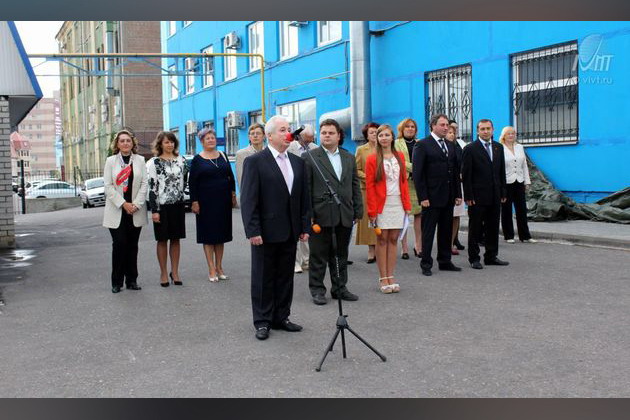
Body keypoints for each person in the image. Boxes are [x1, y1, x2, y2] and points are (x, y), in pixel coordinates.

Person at [240, 115, 311, 341]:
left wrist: (304, 225)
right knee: (263, 277)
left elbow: (303, 197)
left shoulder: (298, 162)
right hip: (265, 231)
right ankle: (262, 321)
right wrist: (253, 230)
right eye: (282, 129)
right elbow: (249, 199)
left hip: (290, 230)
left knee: (285, 277)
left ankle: (282, 316)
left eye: (288, 128)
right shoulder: (255, 162)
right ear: (269, 136)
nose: (287, 132)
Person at [304, 119, 363, 306]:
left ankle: (339, 288)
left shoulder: (348, 157)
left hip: (344, 212)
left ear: (339, 136)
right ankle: (317, 289)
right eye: (323, 133)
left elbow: (354, 184)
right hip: (320, 214)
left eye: (331, 133)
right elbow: (306, 188)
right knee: (318, 256)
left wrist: (358, 210)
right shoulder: (310, 157)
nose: (327, 136)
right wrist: (308, 214)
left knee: (341, 255)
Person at [413, 114, 462, 277]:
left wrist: (457, 193)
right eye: (442, 125)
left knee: (446, 230)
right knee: (428, 231)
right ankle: (426, 263)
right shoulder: (423, 145)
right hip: (431, 197)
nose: (446, 127)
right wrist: (423, 197)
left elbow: (454, 172)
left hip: (448, 196)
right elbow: (418, 173)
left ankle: (445, 261)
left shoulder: (450, 145)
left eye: (447, 125)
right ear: (433, 126)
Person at [366, 124, 411, 294]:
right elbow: (370, 186)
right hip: (381, 205)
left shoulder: (399, 156)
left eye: (387, 135)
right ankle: (383, 278)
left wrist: (407, 205)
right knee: (382, 239)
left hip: (398, 202)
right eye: (381, 135)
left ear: (392, 137)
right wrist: (372, 211)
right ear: (377, 139)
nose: (384, 138)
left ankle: (391, 276)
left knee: (393, 239)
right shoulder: (372, 159)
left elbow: (403, 182)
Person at [102, 129, 148, 293]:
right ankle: (117, 282)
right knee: (119, 244)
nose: (125, 143)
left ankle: (132, 280)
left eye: (128, 140)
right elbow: (108, 186)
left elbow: (144, 184)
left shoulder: (140, 160)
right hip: (117, 210)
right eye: (122, 141)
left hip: (135, 210)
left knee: (132, 246)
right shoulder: (111, 161)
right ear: (117, 144)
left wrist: (136, 204)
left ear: (132, 143)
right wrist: (123, 204)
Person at [189, 127, 237, 282]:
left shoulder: (222, 155)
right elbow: (192, 182)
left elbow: (230, 176)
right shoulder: (197, 159)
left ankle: (219, 267)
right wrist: (194, 201)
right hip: (205, 203)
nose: (211, 140)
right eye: (207, 138)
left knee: (220, 236)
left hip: (222, 201)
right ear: (202, 141)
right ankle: (211, 268)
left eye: (212, 138)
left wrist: (233, 194)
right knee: (209, 236)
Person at [461, 119, 509, 269]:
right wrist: (468, 196)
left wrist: (503, 191)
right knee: (475, 228)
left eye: (488, 128)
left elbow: (501, 171)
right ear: (477, 131)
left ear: (493, 130)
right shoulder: (470, 148)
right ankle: (474, 258)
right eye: (482, 129)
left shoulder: (498, 147)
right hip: (477, 196)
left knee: (493, 227)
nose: (486, 131)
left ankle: (491, 256)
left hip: (495, 194)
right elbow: (466, 174)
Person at [146, 131, 188, 287]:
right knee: (162, 240)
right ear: (160, 144)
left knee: (176, 240)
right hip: (161, 207)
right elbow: (152, 187)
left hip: (177, 205)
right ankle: (163, 273)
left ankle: (175, 272)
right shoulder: (153, 163)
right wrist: (154, 210)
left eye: (172, 142)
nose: (170, 145)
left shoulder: (181, 160)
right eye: (166, 142)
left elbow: (185, 181)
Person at [287, 124, 318, 274]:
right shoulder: (289, 147)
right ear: (300, 137)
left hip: (308, 190)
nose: (309, 142)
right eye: (306, 139)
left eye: (311, 139)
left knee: (306, 228)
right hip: (292, 189)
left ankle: (307, 260)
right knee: (294, 228)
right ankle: (295, 262)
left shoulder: (314, 148)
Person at [499, 126, 537, 244]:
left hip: (519, 181)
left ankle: (525, 235)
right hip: (506, 182)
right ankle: (508, 235)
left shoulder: (520, 147)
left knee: (521, 210)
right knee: (506, 210)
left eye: (513, 133)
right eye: (508, 133)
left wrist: (526, 181)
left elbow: (524, 165)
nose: (511, 135)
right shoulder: (500, 148)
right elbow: (499, 168)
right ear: (504, 136)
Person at [394, 118, 422, 259]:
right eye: (407, 126)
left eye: (412, 127)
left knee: (419, 215)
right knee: (403, 216)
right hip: (403, 183)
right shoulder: (396, 143)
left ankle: (418, 245)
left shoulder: (420, 143)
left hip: (418, 184)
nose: (410, 129)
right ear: (402, 129)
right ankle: (404, 248)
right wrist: (416, 167)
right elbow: (399, 161)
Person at [355, 122, 379, 263]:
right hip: (367, 189)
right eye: (371, 132)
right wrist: (369, 177)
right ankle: (371, 249)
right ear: (366, 135)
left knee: (382, 218)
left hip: (383, 190)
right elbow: (356, 170)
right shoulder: (361, 150)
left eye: (377, 132)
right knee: (369, 219)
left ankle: (381, 247)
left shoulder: (386, 148)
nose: (374, 134)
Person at [445, 124, 466, 255]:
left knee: (456, 215)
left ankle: (452, 242)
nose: (452, 135)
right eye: (449, 132)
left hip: (458, 185)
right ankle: (444, 243)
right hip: (445, 186)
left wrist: (462, 173)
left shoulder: (458, 148)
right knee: (446, 217)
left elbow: (463, 163)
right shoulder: (440, 147)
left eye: (453, 132)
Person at [235, 123, 265, 189]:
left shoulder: (268, 152)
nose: (255, 136)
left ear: (264, 136)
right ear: (249, 137)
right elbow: (241, 178)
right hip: (251, 191)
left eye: (258, 133)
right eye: (252, 133)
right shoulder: (241, 154)